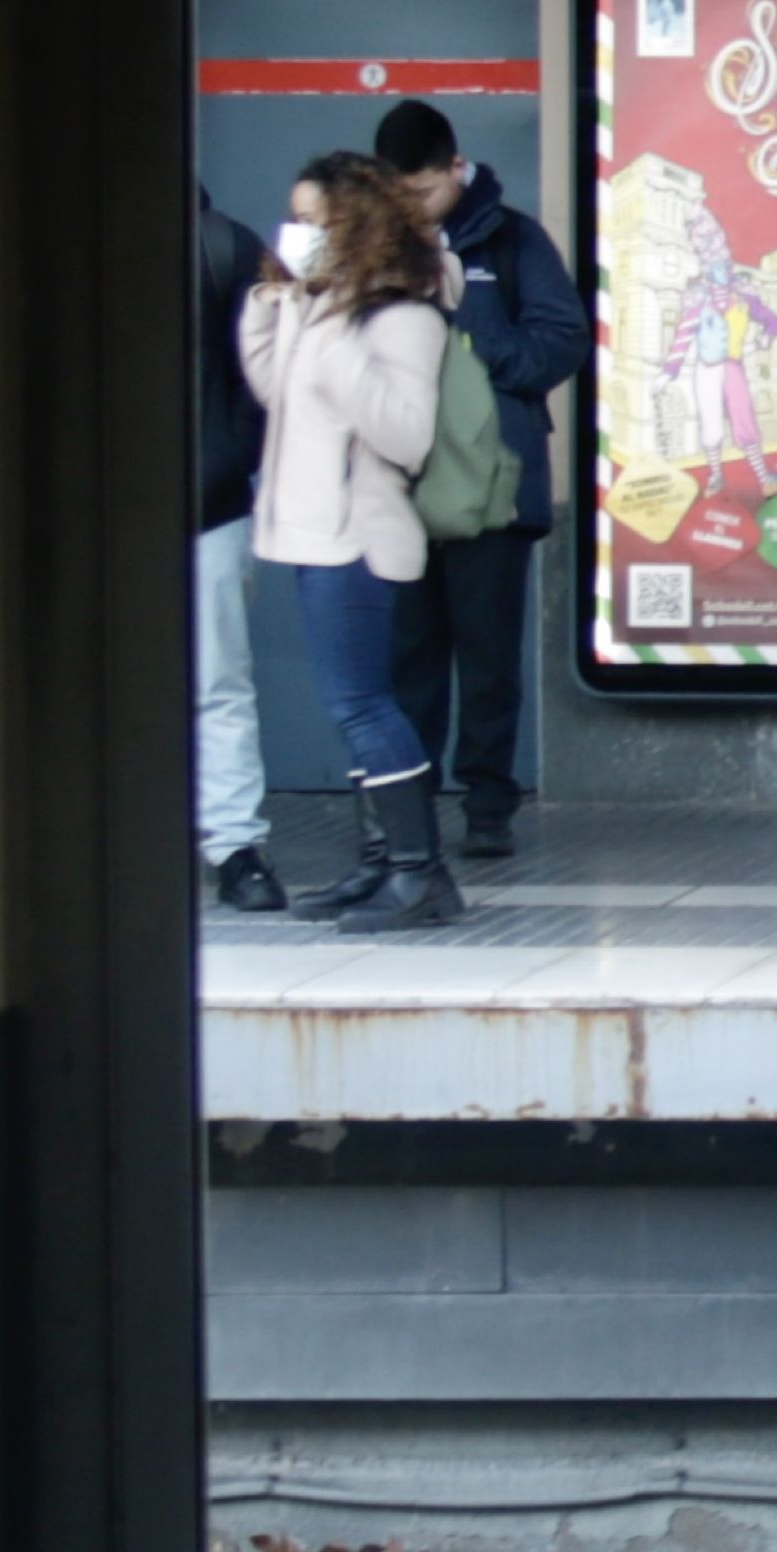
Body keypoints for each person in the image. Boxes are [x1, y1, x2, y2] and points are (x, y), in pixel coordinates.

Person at [239, 157, 470, 931]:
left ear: (358, 224)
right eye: (294, 218)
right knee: (354, 707)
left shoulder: (403, 314)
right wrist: (273, 313)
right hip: (312, 529)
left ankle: (419, 872)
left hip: (359, 535)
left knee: (363, 703)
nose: (300, 234)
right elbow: (283, 399)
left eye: (316, 220)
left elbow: (403, 434)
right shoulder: (329, 307)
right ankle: (380, 867)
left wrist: (331, 339)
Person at [373, 99, 590, 861]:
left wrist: (468, 336)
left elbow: (561, 343)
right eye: (398, 195)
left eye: (425, 192)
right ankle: (405, 811)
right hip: (397, 485)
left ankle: (488, 804)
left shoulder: (512, 235)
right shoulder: (374, 244)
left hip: (493, 486)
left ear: (456, 169)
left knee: (487, 656)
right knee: (408, 659)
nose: (413, 208)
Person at [193, 186, 284, 913]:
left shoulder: (223, 245)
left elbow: (273, 372)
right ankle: (234, 852)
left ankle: (231, 844)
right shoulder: (233, 243)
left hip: (208, 503)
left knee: (218, 684)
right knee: (221, 686)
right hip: (214, 497)